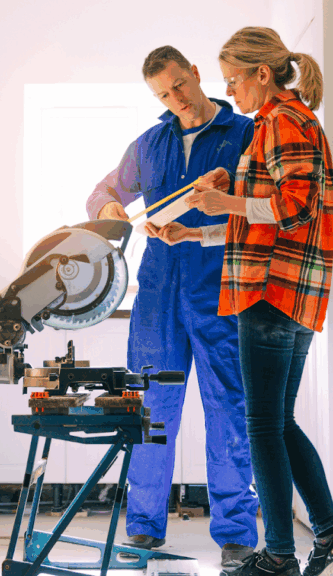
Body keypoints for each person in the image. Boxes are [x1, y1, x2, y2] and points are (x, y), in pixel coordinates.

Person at [146, 27, 333, 576]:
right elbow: (257, 222)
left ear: (262, 74)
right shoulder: (277, 123)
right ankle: (331, 537)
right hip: (287, 289)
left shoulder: (283, 120)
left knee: (261, 424)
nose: (229, 92)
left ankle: (280, 555)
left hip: (270, 291)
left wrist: (227, 199)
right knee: (279, 421)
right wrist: (194, 232)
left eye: (233, 80)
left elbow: (293, 208)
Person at [86, 45, 259, 568]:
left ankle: (236, 533)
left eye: (179, 85)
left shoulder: (243, 133)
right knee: (150, 410)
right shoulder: (150, 143)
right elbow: (102, 191)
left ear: (196, 74)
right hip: (158, 296)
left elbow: (259, 211)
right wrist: (111, 206)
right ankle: (143, 526)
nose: (176, 99)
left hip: (221, 291)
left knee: (228, 409)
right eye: (163, 94)